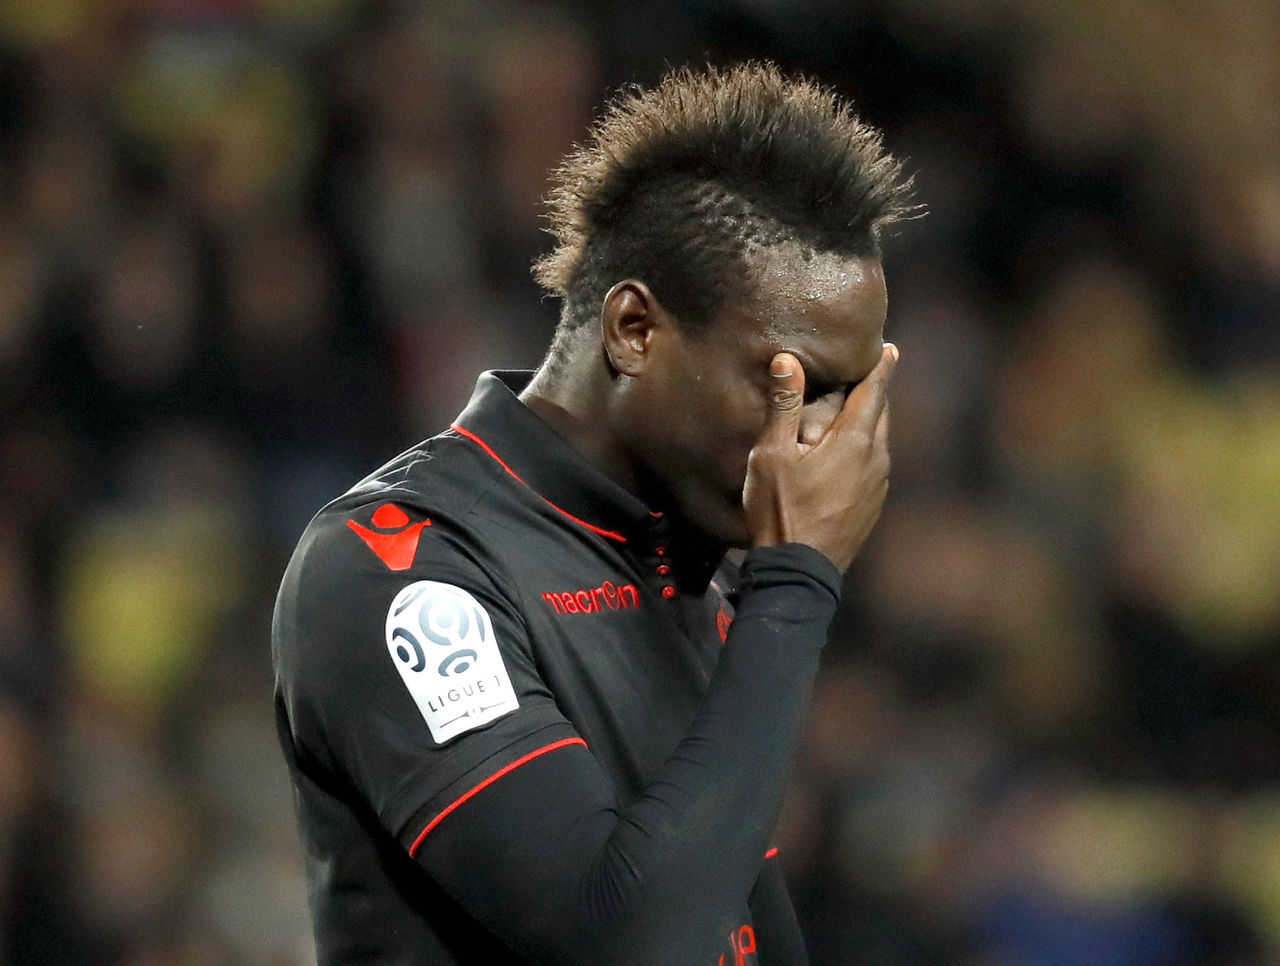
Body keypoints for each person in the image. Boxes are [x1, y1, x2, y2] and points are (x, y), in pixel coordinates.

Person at [273, 62, 914, 965]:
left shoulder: (698, 568)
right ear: (634, 330)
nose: (816, 438)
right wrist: (795, 586)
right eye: (791, 383)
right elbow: (626, 943)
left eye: (846, 396)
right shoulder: (403, 569)